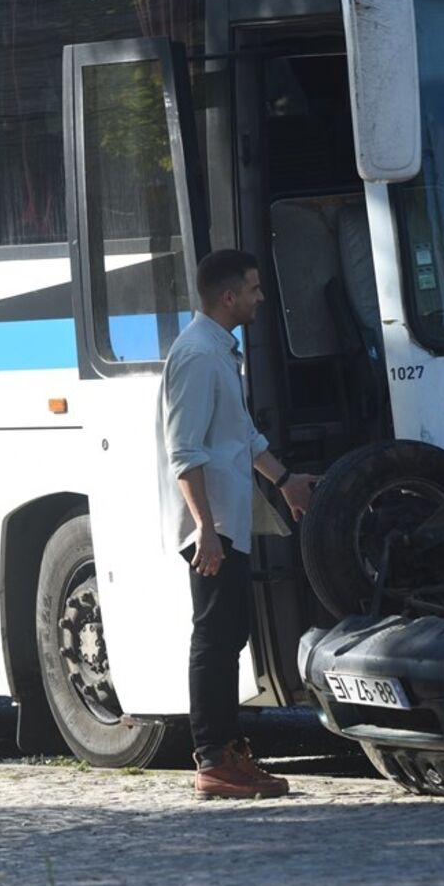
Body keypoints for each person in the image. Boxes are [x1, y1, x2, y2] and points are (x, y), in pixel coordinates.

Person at [157, 250, 316, 799]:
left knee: (230, 634)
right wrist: (204, 527)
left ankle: (225, 754)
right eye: (253, 288)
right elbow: (185, 451)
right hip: (213, 524)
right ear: (228, 297)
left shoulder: (218, 350)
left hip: (226, 519)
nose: (260, 297)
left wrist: (285, 480)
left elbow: (239, 434)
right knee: (216, 636)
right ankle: (214, 760)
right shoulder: (200, 356)